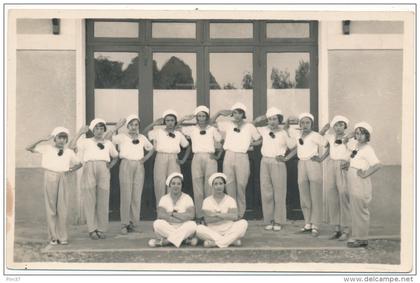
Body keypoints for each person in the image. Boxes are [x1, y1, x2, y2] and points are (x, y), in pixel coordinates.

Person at [26, 127, 82, 245]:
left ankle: (62, 236)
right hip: (50, 176)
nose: (61, 140)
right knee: (51, 208)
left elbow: (79, 163)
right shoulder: (47, 148)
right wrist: (43, 139)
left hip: (63, 177)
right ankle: (53, 236)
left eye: (64, 138)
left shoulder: (69, 152)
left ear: (66, 140)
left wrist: (70, 170)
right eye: (59, 138)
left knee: (62, 208)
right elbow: (28, 148)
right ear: (54, 139)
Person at [70, 118, 119, 240]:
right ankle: (92, 229)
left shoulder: (108, 143)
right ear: (92, 130)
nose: (99, 131)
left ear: (104, 130)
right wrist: (80, 133)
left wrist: (109, 167)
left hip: (103, 169)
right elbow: (71, 147)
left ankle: (102, 229)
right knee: (90, 200)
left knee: (103, 200)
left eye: (101, 128)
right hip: (89, 168)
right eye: (96, 128)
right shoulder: (86, 142)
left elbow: (116, 157)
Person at [106, 114, 155, 235]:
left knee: (136, 195)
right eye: (131, 125)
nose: (134, 127)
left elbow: (152, 148)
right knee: (126, 195)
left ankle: (134, 223)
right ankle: (124, 224)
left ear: (138, 126)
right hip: (126, 165)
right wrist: (116, 127)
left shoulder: (142, 138)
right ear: (127, 126)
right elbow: (107, 139)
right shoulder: (121, 137)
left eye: (136, 124)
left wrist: (144, 159)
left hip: (139, 166)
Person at [212, 103, 262, 219]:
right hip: (228, 155)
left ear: (243, 114)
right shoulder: (227, 124)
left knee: (241, 185)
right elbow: (210, 123)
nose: (237, 115)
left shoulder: (249, 126)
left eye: (239, 113)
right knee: (229, 185)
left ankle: (240, 214)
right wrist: (219, 113)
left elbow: (259, 140)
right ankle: (232, 213)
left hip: (242, 157)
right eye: (234, 113)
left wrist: (250, 143)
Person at [253, 107, 295, 231]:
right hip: (265, 161)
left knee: (279, 192)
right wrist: (259, 119)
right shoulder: (263, 130)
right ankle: (269, 219)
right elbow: (249, 127)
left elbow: (294, 147)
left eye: (275, 119)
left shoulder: (284, 133)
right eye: (270, 119)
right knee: (266, 192)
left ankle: (279, 221)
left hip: (278, 162)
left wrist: (286, 158)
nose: (272, 122)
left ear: (279, 120)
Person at [179, 105, 223, 222]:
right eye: (199, 116)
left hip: (209, 158)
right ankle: (199, 216)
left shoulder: (212, 129)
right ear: (196, 118)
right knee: (197, 187)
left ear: (207, 117)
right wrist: (185, 118)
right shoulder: (192, 129)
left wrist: (218, 156)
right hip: (197, 157)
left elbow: (222, 141)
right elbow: (177, 127)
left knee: (210, 187)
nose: (201, 118)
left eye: (203, 116)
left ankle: (209, 215)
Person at [287, 113, 326, 237]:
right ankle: (307, 223)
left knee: (315, 196)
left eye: (307, 123)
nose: (305, 125)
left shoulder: (316, 136)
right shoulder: (298, 135)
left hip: (313, 164)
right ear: (300, 125)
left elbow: (329, 146)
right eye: (302, 123)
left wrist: (321, 159)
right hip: (301, 164)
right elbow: (296, 148)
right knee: (304, 196)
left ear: (312, 124)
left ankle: (316, 225)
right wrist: (286, 158)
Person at [345, 122, 381, 248]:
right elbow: (351, 154)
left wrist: (365, 174)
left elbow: (377, 165)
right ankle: (357, 236)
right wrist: (348, 166)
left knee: (360, 209)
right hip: (352, 179)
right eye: (357, 133)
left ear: (367, 136)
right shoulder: (356, 146)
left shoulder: (367, 149)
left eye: (362, 134)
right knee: (355, 209)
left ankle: (362, 238)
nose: (359, 136)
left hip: (360, 181)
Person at [144, 110, 190, 207]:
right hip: (160, 157)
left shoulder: (178, 134)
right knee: (159, 183)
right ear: (164, 121)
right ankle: (161, 210)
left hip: (174, 159)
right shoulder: (158, 132)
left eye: (172, 120)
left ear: (175, 121)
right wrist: (154, 123)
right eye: (167, 120)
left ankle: (173, 209)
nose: (170, 122)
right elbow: (144, 134)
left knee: (174, 183)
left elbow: (187, 146)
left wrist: (183, 160)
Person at [318, 115, 352, 241]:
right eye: (336, 125)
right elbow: (324, 144)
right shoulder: (331, 137)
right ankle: (336, 229)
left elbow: (355, 152)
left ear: (345, 126)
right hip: (330, 166)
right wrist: (324, 129)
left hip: (343, 166)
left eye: (341, 125)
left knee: (343, 195)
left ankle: (346, 229)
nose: (338, 127)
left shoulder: (349, 138)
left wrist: (349, 163)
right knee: (332, 196)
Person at [196, 173, 248, 248]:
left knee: (243, 223)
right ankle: (230, 241)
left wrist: (216, 214)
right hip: (213, 230)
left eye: (221, 183)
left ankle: (216, 243)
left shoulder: (230, 200)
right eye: (216, 184)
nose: (218, 186)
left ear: (224, 185)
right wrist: (226, 215)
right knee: (199, 229)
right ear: (212, 186)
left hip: (229, 229)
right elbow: (208, 220)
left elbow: (234, 216)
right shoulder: (207, 201)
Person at [148, 173, 198, 248]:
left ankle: (166, 242)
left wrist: (172, 214)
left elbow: (191, 215)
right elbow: (161, 215)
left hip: (183, 226)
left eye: (178, 184)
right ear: (170, 185)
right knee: (157, 223)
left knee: (192, 225)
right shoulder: (164, 198)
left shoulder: (187, 198)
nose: (176, 186)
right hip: (168, 226)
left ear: (182, 185)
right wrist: (181, 217)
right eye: (173, 183)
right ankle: (183, 240)